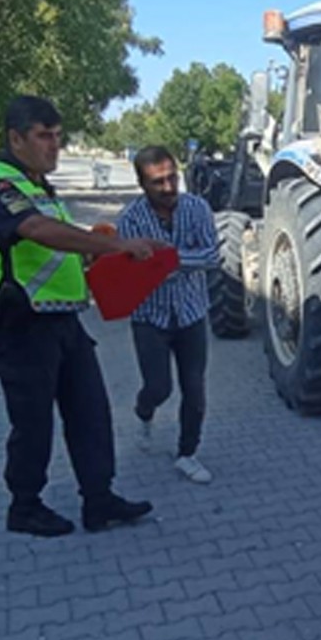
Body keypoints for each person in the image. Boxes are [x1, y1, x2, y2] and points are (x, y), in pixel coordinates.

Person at [0, 94, 165, 537]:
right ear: (15, 138)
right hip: (19, 325)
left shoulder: (38, 186)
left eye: (58, 136)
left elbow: (54, 249)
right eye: (43, 137)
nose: (53, 146)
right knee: (33, 423)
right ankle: (25, 507)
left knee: (90, 412)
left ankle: (99, 499)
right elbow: (35, 231)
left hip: (63, 321)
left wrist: (96, 255)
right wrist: (114, 246)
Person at [116, 146, 219, 484]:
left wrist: (168, 261)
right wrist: (165, 265)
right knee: (158, 387)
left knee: (195, 388)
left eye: (172, 177)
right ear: (142, 184)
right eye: (158, 182)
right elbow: (130, 272)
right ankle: (144, 412)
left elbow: (211, 255)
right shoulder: (130, 219)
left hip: (191, 313)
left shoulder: (197, 208)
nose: (169, 187)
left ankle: (188, 453)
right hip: (150, 317)